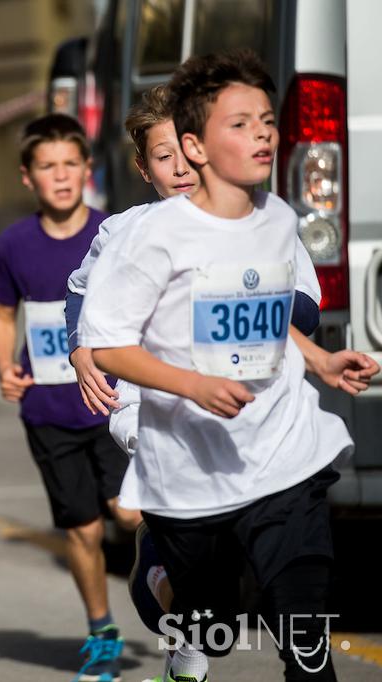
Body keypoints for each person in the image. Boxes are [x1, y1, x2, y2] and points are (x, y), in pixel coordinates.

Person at [79, 50, 379, 682]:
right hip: (169, 427)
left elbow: (292, 305)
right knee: (210, 610)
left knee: (299, 598)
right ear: (145, 168)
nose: (182, 169)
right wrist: (88, 350)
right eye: (165, 158)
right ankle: (168, 586)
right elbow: (93, 313)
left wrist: (320, 358)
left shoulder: (267, 219)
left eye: (189, 154)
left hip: (272, 430)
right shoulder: (129, 234)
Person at [0, 113, 140, 682]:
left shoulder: (116, 231)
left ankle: (166, 600)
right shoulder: (13, 244)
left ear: (88, 170)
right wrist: (5, 365)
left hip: (114, 402)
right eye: (47, 166)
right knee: (83, 530)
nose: (61, 175)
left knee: (131, 512)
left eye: (71, 163)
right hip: (48, 409)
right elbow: (3, 317)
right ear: (28, 177)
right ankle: (101, 632)